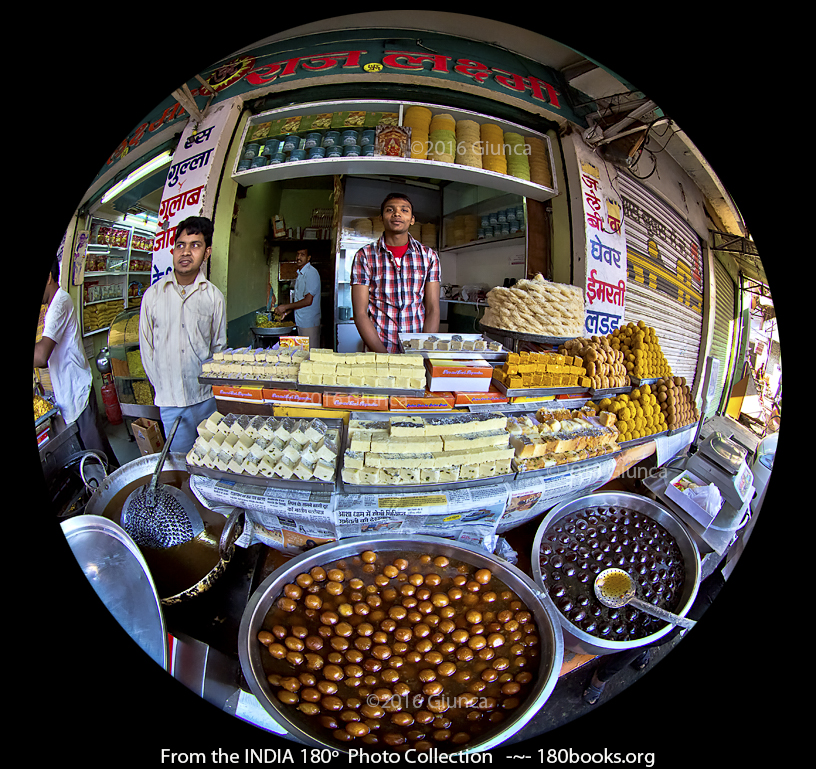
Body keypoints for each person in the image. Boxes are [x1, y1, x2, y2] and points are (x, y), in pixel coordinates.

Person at [139, 216, 226, 454]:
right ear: (172, 249)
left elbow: (219, 347)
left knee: (210, 456)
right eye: (180, 245)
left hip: (205, 399)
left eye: (195, 245)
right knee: (180, 461)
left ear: (206, 252)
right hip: (170, 402)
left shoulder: (214, 297)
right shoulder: (153, 296)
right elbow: (146, 349)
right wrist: (164, 388)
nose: (186, 252)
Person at [34, 257, 120, 468]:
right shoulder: (52, 307)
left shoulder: (59, 303)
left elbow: (41, 356)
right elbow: (46, 360)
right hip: (69, 392)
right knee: (88, 455)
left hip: (77, 392)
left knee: (97, 455)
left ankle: (117, 492)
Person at [350, 193, 441, 353]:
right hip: (378, 349)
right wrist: (384, 356)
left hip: (416, 350)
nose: (397, 214)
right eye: (390, 210)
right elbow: (360, 313)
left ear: (412, 219)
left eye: (404, 210)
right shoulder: (364, 256)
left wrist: (424, 351)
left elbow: (433, 308)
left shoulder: (429, 256)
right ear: (381, 218)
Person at [273, 248, 321, 350]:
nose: (298, 257)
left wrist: (285, 307)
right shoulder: (300, 274)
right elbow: (300, 301)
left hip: (309, 323)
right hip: (301, 321)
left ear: (308, 258)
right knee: (303, 354)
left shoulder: (311, 273)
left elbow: (308, 301)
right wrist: (286, 312)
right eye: (297, 254)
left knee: (310, 355)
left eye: (302, 255)